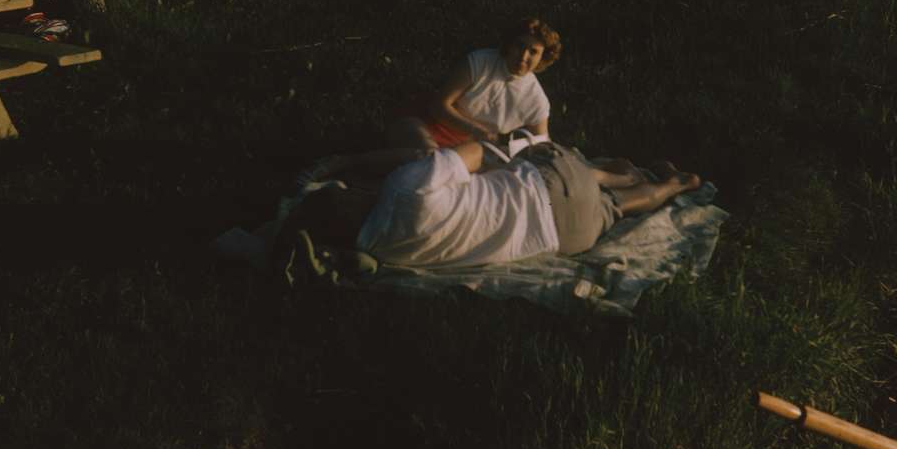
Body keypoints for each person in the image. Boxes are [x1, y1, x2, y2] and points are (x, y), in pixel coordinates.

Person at [282, 140, 703, 276]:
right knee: (540, 160)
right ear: (351, 195)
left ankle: (669, 186)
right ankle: (624, 174)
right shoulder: (404, 190)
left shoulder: (385, 252)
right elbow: (475, 154)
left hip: (564, 238)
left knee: (613, 209)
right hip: (553, 186)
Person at [297, 18, 562, 186]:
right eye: (520, 46)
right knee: (428, 158)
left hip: (468, 148)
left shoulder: (536, 100)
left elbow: (541, 145)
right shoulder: (480, 61)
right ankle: (345, 161)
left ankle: (364, 182)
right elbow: (440, 106)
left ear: (543, 58)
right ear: (509, 45)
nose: (523, 56)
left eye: (533, 52)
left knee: (445, 180)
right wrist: (478, 131)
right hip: (426, 122)